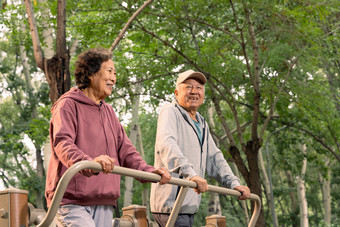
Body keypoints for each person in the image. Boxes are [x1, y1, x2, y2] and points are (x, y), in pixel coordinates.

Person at [45, 47, 171, 227]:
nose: (114, 77)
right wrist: (89, 162)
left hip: (104, 198)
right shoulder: (67, 105)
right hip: (71, 200)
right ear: (90, 73)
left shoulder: (109, 112)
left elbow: (126, 151)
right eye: (109, 71)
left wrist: (149, 172)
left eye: (115, 73)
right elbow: (63, 143)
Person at [150, 69, 250, 227]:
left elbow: (214, 158)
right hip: (171, 204)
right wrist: (191, 175)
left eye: (199, 88)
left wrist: (234, 183)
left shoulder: (202, 123)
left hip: (189, 204)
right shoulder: (170, 112)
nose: (194, 91)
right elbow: (167, 144)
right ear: (176, 92)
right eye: (188, 87)